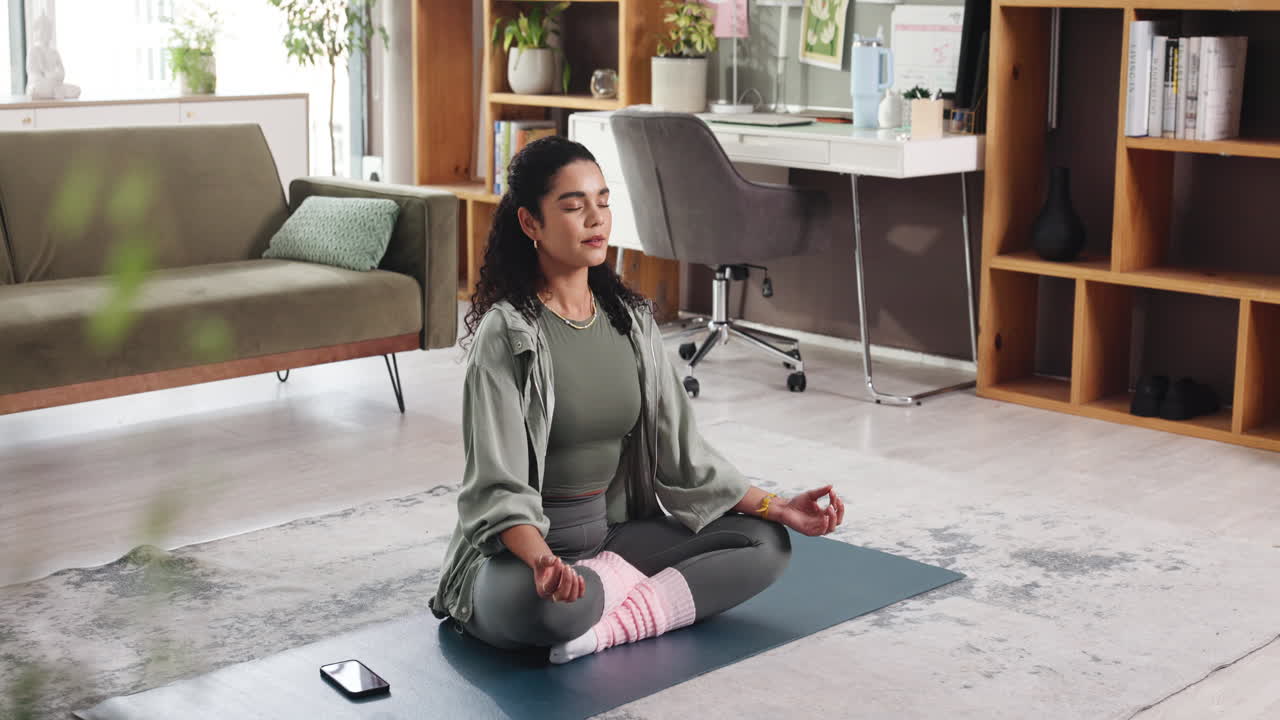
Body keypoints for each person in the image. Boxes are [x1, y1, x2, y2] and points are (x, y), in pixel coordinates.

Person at [429, 135, 845, 663]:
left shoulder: (632, 322)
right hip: (518, 558)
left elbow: (686, 458)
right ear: (531, 223)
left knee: (765, 546)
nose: (596, 219)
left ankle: (604, 629)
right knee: (556, 609)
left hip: (609, 539)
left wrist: (778, 506)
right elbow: (496, 486)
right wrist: (543, 565)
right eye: (574, 206)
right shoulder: (507, 334)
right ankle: (609, 607)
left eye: (602, 202)